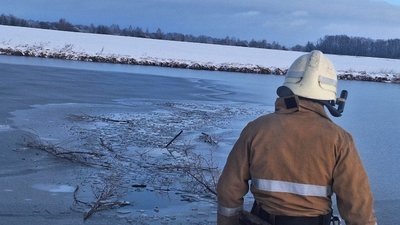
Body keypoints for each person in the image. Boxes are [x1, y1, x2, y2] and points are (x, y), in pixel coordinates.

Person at [217, 50, 377, 225]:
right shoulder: (339, 139)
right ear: (330, 96)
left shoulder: (256, 129)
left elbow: (229, 190)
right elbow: (358, 206)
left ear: (288, 88)